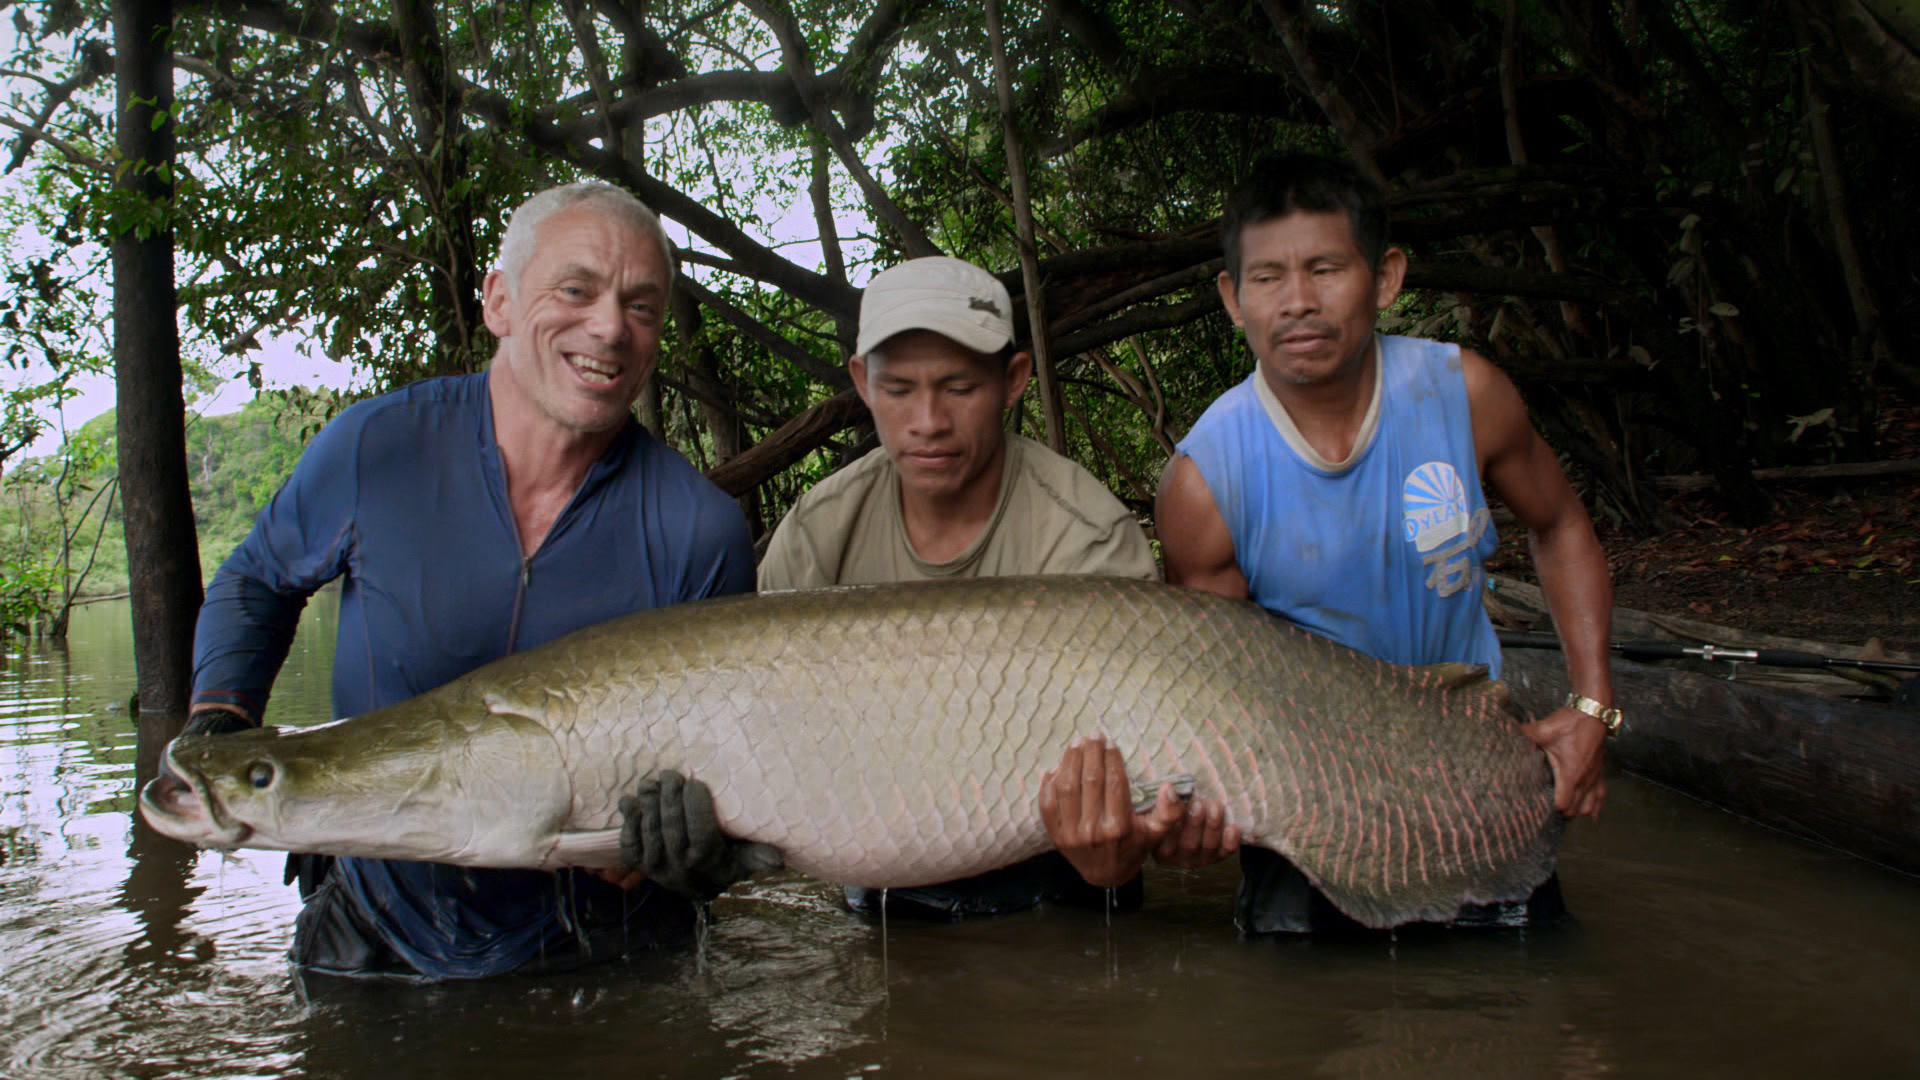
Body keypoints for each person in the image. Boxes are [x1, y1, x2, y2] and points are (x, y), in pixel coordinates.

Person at [182, 181, 758, 980]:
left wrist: (684, 851)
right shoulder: (375, 447)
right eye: (576, 290)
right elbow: (257, 581)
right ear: (499, 301)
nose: (609, 327)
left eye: (642, 306)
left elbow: (729, 747)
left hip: (600, 946)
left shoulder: (700, 530)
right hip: (377, 929)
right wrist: (219, 712)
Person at [1148, 152, 1618, 933]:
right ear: (1233, 298)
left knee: (1540, 1011)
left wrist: (1593, 704)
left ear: (1386, 277)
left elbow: (1562, 524)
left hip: (1471, 765)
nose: (1298, 302)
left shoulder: (1464, 394)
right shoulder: (1204, 482)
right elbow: (1213, 693)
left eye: (1325, 269)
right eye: (1267, 278)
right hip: (1304, 798)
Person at [753, 255, 1238, 917]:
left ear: (1012, 381)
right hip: (883, 881)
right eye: (899, 390)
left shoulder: (1086, 535)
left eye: (958, 388)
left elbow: (1142, 768)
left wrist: (1122, 853)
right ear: (863, 384)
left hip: (1056, 874)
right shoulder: (818, 535)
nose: (927, 420)